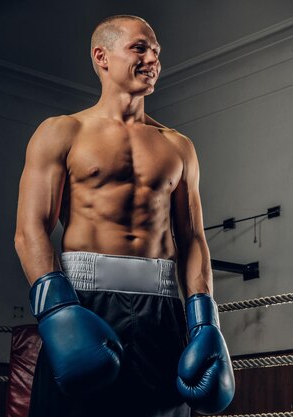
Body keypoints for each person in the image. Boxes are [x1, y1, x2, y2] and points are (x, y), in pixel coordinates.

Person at [14, 15, 235, 417]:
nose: (153, 58)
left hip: (162, 313)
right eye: (140, 47)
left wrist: (204, 319)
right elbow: (30, 230)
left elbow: (193, 240)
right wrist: (57, 309)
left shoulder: (178, 146)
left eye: (156, 51)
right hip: (85, 305)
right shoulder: (63, 132)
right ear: (102, 56)